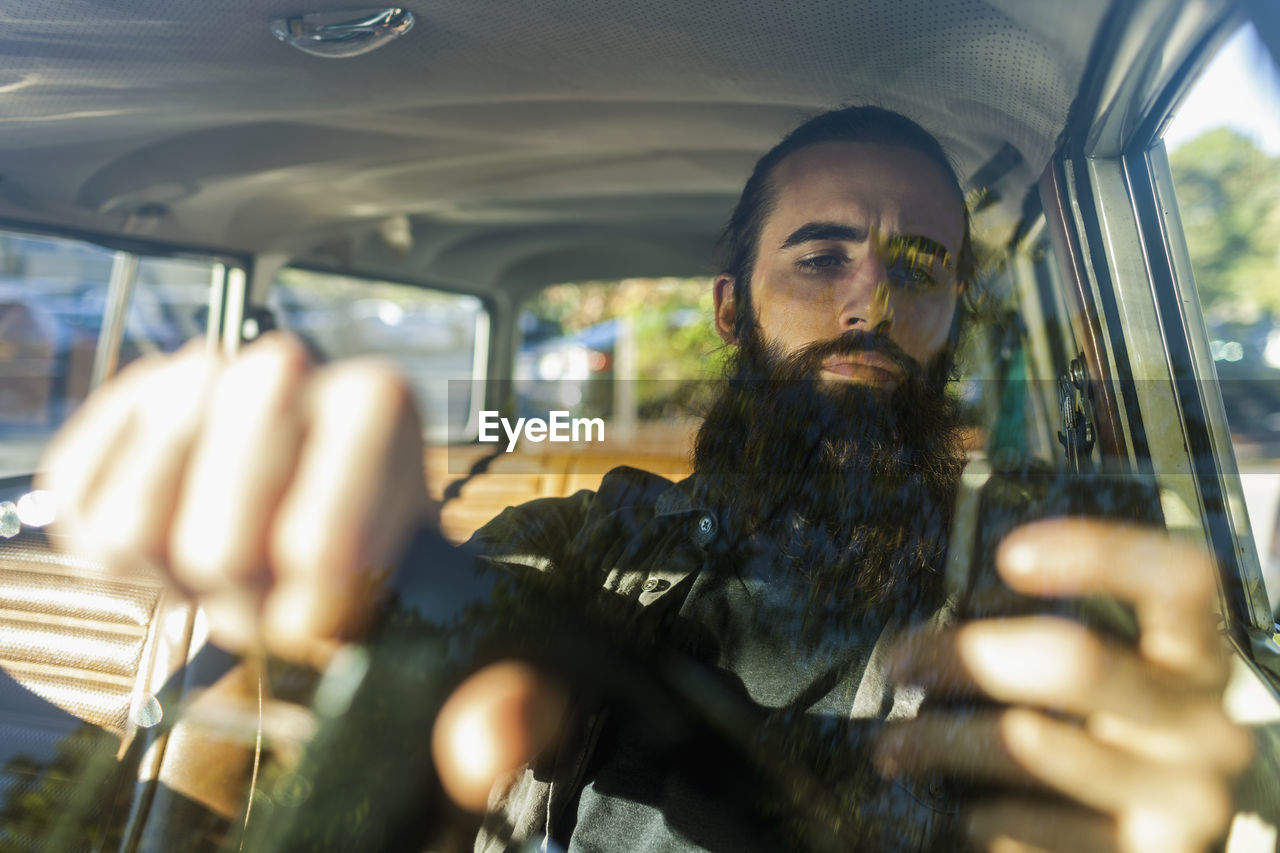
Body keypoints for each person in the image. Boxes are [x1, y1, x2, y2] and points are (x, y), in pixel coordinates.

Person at [38, 106, 1254, 852]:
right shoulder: (597, 532)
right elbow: (462, 602)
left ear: (951, 312)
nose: (869, 303)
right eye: (818, 256)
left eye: (918, 270)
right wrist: (335, 563)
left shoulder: (1038, 557)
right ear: (731, 310)